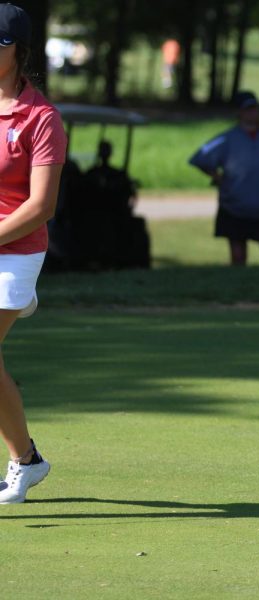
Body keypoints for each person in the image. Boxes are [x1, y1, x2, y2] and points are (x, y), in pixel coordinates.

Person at [0, 3, 68, 503]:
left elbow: (41, 205)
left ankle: (27, 460)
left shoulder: (41, 117)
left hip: (16, 250)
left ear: (18, 50)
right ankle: (27, 460)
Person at [189, 91, 259, 266]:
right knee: (238, 258)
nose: (252, 113)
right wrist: (217, 176)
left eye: (255, 109)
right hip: (234, 209)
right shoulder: (228, 139)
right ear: (239, 112)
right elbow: (199, 158)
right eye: (247, 109)